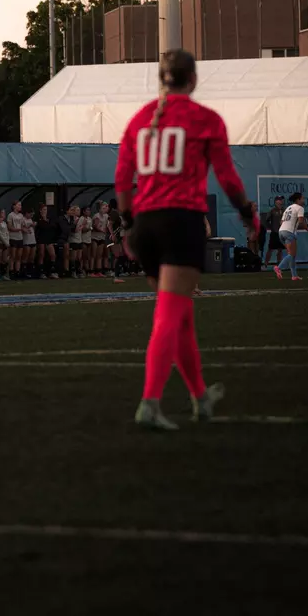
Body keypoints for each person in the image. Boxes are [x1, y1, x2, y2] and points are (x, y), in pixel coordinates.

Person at [115, 48, 259, 432]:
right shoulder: (205, 119)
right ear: (192, 79)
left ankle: (199, 398)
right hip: (180, 222)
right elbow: (228, 178)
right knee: (169, 315)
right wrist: (248, 214)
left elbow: (121, 181)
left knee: (179, 318)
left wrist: (130, 223)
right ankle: (149, 402)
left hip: (146, 225)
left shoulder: (139, 120)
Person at [275, 192, 308, 281]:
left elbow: (281, 222)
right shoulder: (300, 208)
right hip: (289, 232)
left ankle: (294, 275)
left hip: (281, 231)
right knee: (292, 254)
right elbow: (301, 221)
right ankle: (278, 268)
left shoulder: (288, 208)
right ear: (298, 200)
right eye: (302, 199)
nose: (303, 200)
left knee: (292, 255)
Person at [35, 204, 59, 279]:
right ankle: (41, 272)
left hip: (48, 239)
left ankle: (52, 271)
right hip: (41, 239)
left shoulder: (49, 219)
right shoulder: (38, 219)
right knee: (41, 254)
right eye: (44, 209)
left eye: (46, 209)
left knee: (53, 255)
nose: (45, 211)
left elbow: (52, 227)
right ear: (40, 210)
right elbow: (40, 228)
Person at [262, 196, 285, 268]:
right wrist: (272, 228)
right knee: (270, 249)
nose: (280, 201)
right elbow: (266, 221)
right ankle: (265, 263)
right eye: (278, 200)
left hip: (282, 232)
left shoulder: (285, 211)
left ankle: (279, 264)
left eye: (281, 200)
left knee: (280, 249)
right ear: (275, 202)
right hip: (274, 233)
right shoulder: (272, 211)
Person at [55, 204, 75, 277]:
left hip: (67, 238)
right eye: (71, 210)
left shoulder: (71, 219)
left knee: (67, 255)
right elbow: (64, 229)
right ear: (67, 211)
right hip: (60, 238)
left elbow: (73, 228)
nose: (73, 212)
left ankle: (67, 270)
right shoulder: (61, 219)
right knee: (62, 255)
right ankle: (61, 270)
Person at [6, 201, 24, 280]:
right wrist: (19, 229)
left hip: (20, 237)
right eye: (19, 205)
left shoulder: (21, 215)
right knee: (12, 255)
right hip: (13, 237)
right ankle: (11, 271)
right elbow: (10, 227)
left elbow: (23, 225)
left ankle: (18, 271)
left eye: (20, 205)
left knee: (19, 256)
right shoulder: (10, 215)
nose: (20, 206)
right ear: (14, 206)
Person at [92, 202, 111, 276]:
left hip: (102, 237)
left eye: (106, 207)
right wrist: (102, 230)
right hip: (95, 237)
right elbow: (95, 227)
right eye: (104, 208)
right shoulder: (96, 216)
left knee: (100, 254)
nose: (106, 209)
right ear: (99, 209)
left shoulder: (106, 216)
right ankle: (92, 271)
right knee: (94, 255)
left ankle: (99, 270)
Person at [77, 206, 93, 275]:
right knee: (83, 256)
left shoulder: (90, 219)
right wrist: (89, 228)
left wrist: (91, 228)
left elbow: (91, 227)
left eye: (89, 210)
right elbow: (82, 230)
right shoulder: (81, 219)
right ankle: (81, 270)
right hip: (83, 240)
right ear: (83, 211)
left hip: (89, 239)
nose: (89, 211)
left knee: (87, 256)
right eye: (87, 210)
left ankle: (87, 270)